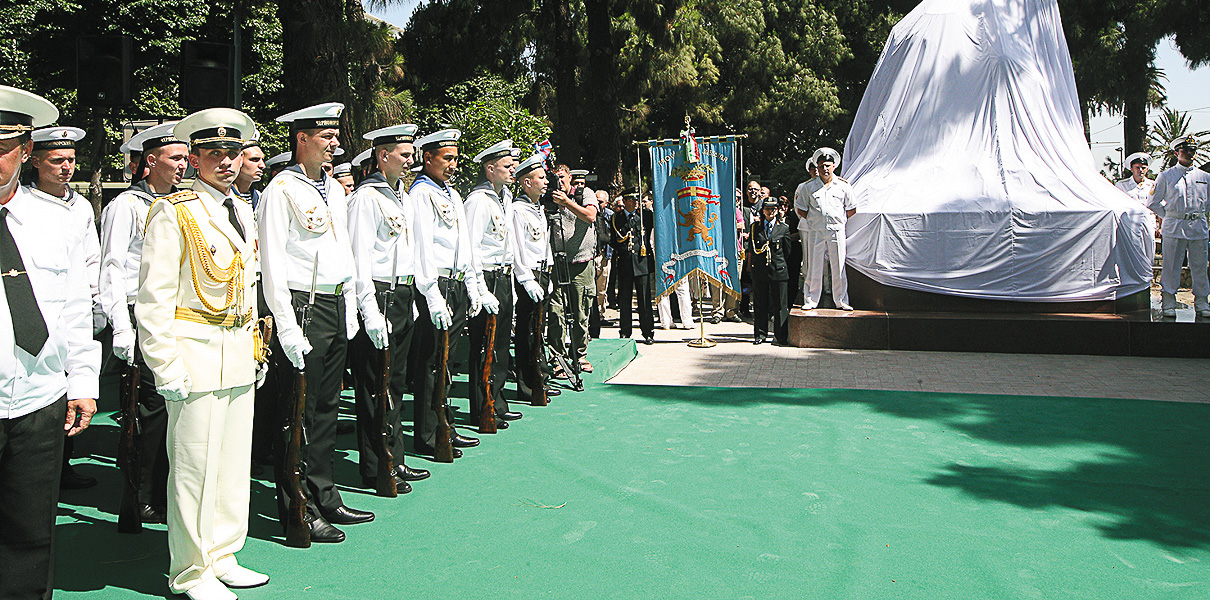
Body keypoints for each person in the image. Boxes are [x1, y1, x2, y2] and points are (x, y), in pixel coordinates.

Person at [135, 108, 269, 600]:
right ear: (193, 158)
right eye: (214, 153)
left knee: (234, 465)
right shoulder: (175, 211)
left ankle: (223, 553)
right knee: (193, 468)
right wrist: (163, 363)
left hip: (236, 348)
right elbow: (154, 297)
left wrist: (255, 350)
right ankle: (190, 571)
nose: (226, 161)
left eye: (233, 152)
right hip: (192, 353)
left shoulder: (242, 207)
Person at [0, 85, 99, 600]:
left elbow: (73, 308)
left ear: (24, 148)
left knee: (30, 538)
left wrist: (82, 380)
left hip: (39, 399)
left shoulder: (55, 222)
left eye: (2, 146)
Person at [259, 102, 373, 543]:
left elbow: (342, 250)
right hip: (301, 308)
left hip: (332, 305)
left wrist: (350, 301)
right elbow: (272, 261)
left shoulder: (333, 189)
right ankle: (296, 507)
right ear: (301, 138)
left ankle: (325, 493)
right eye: (325, 137)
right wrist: (284, 324)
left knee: (326, 407)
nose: (334, 144)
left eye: (334, 136)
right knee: (298, 412)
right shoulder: (281, 189)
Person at [99, 121, 189, 522]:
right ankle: (139, 493)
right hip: (138, 313)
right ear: (150, 162)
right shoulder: (126, 206)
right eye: (175, 158)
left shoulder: (183, 204)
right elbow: (112, 268)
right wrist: (120, 323)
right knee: (146, 411)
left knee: (174, 407)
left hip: (175, 314)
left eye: (186, 158)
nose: (183, 165)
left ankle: (165, 489)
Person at [346, 123, 431, 490]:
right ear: (383, 156)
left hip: (402, 295)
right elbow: (359, 256)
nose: (411, 159)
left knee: (395, 381)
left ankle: (394, 455)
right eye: (405, 153)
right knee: (375, 382)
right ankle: (376, 464)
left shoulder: (401, 195)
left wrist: (411, 299)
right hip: (378, 294)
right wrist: (368, 308)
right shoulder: (367, 197)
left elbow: (408, 249)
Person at [23, 125, 105, 491]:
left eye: (71, 160)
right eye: (56, 160)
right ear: (35, 161)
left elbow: (92, 258)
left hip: (78, 304)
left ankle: (64, 464)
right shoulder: (26, 205)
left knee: (74, 384)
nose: (66, 167)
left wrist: (93, 298)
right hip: (40, 306)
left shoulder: (81, 205)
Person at [408, 128, 489, 460]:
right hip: (436, 284)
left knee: (447, 360)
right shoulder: (420, 193)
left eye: (456, 158)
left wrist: (472, 284)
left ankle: (445, 421)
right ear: (428, 158)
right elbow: (423, 246)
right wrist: (431, 292)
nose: (453, 164)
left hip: (455, 283)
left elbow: (463, 244)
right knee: (430, 361)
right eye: (447, 158)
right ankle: (428, 431)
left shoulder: (451, 194)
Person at [465, 140, 524, 430]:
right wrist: (478, 288)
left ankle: (497, 401)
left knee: (500, 344)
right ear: (490, 169)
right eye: (507, 166)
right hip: (485, 276)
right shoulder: (477, 201)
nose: (513, 169)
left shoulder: (505, 197)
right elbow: (472, 247)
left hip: (502, 275)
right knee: (483, 346)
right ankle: (482, 407)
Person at [1148, 135, 1210, 318]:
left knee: (1199, 266)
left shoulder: (1204, 177)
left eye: (1193, 150)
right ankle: (1168, 300)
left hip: (1198, 226)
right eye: (1186, 150)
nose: (1190, 153)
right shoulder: (1166, 176)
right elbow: (1153, 202)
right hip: (1175, 226)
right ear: (1177, 153)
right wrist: (1171, 216)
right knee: (1171, 265)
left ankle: (1201, 301)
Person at [510, 154, 555, 403]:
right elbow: (518, 248)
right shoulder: (518, 209)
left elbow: (543, 244)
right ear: (526, 182)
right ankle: (527, 384)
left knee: (539, 330)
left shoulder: (537, 208)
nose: (546, 181)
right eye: (541, 178)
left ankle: (541, 377)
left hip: (543, 272)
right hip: (529, 274)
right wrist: (526, 278)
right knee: (527, 330)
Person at [547, 166, 598, 373]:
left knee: (581, 310)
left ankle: (580, 355)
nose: (559, 182)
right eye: (555, 178)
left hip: (581, 261)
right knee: (555, 311)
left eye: (561, 178)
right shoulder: (548, 196)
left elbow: (590, 216)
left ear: (569, 177)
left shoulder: (583, 193)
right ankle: (557, 357)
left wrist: (566, 202)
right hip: (557, 262)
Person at [795, 147, 856, 311]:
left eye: (828, 165)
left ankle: (841, 300)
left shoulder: (843, 186)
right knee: (814, 266)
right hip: (816, 231)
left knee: (839, 266)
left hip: (836, 230)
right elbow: (801, 209)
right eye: (821, 165)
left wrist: (837, 221)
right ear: (817, 167)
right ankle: (811, 299)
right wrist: (816, 221)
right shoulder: (808, 187)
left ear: (834, 166)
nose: (825, 169)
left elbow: (851, 209)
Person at [612, 191, 655, 344]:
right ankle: (625, 331)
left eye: (637, 199)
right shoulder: (617, 217)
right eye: (632, 199)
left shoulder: (645, 216)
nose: (636, 202)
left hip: (642, 261)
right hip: (625, 263)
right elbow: (613, 239)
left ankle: (648, 331)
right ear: (625, 201)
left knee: (644, 299)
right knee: (624, 299)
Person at [749, 197, 793, 345]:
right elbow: (753, 249)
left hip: (778, 270)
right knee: (760, 304)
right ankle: (760, 334)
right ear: (763, 210)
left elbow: (787, 252)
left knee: (780, 305)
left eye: (773, 209)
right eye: (767, 209)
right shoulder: (756, 227)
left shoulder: (783, 228)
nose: (771, 211)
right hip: (761, 271)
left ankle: (781, 336)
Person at [234, 134, 266, 209]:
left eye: (262, 159)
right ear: (239, 160)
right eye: (254, 159)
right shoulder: (221, 198)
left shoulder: (260, 198)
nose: (262, 165)